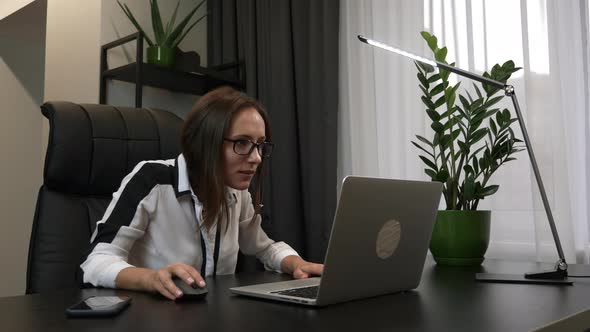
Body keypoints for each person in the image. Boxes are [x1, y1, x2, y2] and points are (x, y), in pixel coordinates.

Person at [79, 86, 323, 300]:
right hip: (151, 316)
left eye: (260, 145)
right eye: (242, 143)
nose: (257, 157)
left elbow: (264, 247)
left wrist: (296, 263)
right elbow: (96, 261)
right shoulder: (150, 179)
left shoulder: (237, 192)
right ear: (206, 143)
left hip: (214, 315)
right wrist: (151, 278)